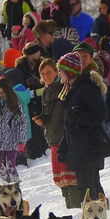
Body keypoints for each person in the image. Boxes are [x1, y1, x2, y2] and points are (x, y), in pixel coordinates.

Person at [57, 52, 108, 205]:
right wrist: (64, 147)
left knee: (86, 190)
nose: (58, 73)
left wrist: (79, 118)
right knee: (92, 187)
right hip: (80, 148)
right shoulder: (73, 89)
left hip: (88, 148)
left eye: (60, 70)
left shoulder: (85, 88)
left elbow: (100, 113)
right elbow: (70, 125)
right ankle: (102, 218)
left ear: (69, 71)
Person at [33, 58, 78, 208]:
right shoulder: (46, 92)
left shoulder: (63, 88)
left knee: (71, 179)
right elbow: (48, 115)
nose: (47, 76)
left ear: (56, 72)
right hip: (53, 139)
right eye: (43, 73)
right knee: (62, 181)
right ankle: (69, 208)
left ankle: (75, 208)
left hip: (65, 138)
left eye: (49, 72)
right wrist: (42, 121)